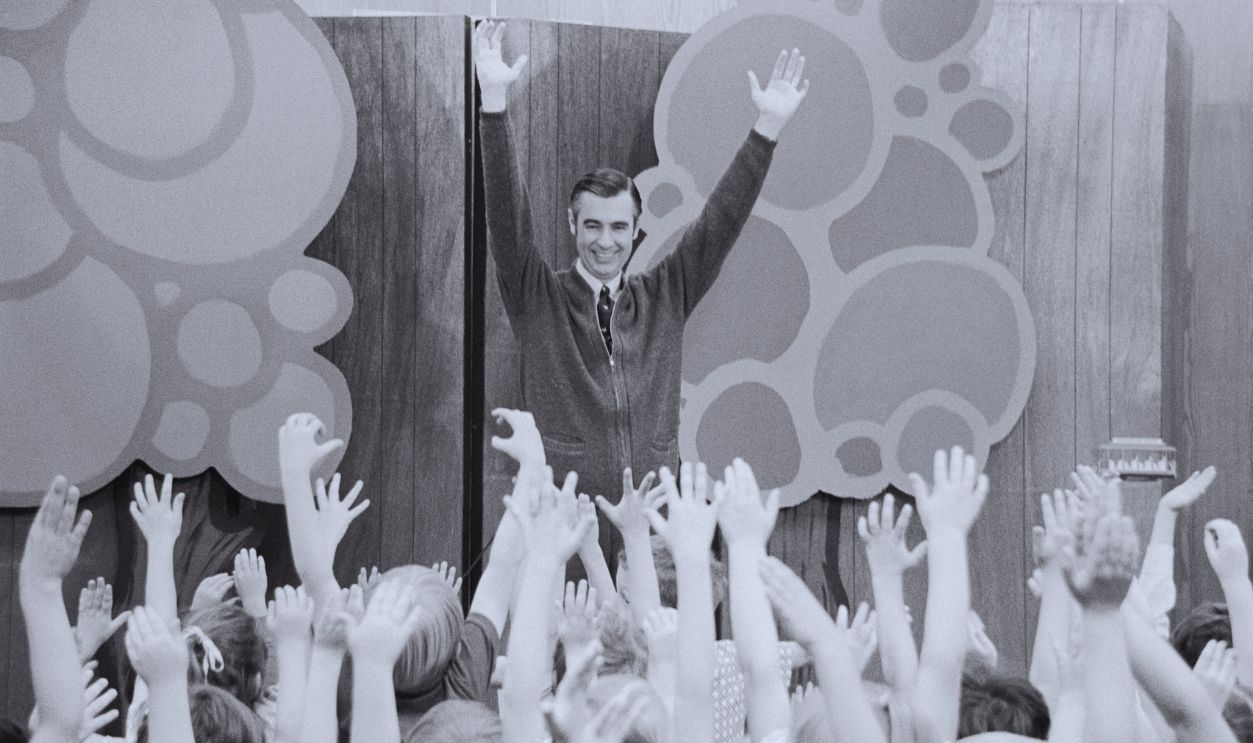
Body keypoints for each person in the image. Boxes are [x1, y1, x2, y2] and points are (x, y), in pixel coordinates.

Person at [473, 20, 810, 544]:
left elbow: (719, 223)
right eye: (591, 226)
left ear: (635, 232)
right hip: (563, 526)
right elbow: (507, 218)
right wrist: (493, 104)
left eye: (617, 228)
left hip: (653, 527)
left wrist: (765, 130)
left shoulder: (665, 295)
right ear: (572, 226)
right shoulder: (539, 298)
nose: (604, 242)